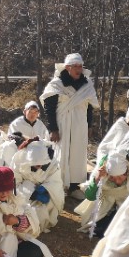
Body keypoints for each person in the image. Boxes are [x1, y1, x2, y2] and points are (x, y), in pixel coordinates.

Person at [40, 53, 100, 199]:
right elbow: (49, 108)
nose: (79, 69)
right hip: (62, 124)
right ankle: (59, 185)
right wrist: (53, 129)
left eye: (80, 66)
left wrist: (89, 125)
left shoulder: (87, 85)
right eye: (75, 66)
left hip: (80, 124)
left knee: (77, 154)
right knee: (61, 154)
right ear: (67, 68)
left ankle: (73, 186)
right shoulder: (56, 84)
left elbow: (89, 107)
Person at [75, 151, 129, 237]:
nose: (117, 181)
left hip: (125, 208)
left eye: (120, 177)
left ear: (127, 172)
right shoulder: (103, 174)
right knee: (102, 230)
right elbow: (90, 196)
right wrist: (97, 179)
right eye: (112, 178)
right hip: (103, 207)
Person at [10, 138, 63, 233]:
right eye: (35, 163)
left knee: (44, 209)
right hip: (25, 192)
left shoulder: (53, 164)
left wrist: (45, 188)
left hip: (46, 193)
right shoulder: (18, 160)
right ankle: (23, 222)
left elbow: (56, 182)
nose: (38, 165)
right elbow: (14, 182)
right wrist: (31, 193)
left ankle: (34, 224)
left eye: (41, 163)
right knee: (20, 209)